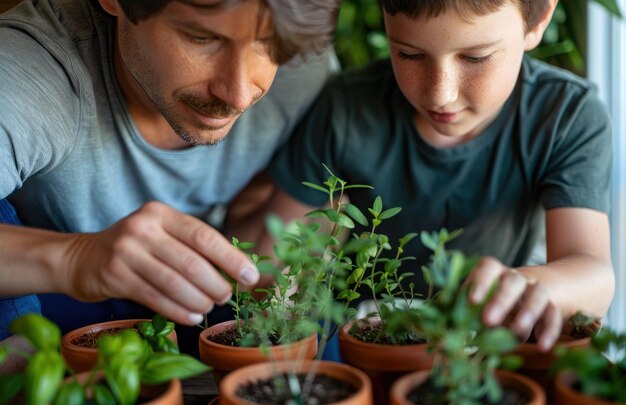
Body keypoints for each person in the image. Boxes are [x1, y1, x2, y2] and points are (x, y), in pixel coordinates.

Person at [238, 0, 615, 352]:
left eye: (476, 56)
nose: (441, 94)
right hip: (358, 344)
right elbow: (277, 257)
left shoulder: (564, 117)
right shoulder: (346, 111)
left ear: (538, 20)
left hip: (480, 348)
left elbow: (593, 273)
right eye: (409, 54)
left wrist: (536, 287)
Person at [0, 0, 339, 341]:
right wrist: (76, 259)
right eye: (201, 38)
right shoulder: (26, 71)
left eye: (269, 45)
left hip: (207, 292)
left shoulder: (302, 62)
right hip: (55, 293)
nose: (237, 95)